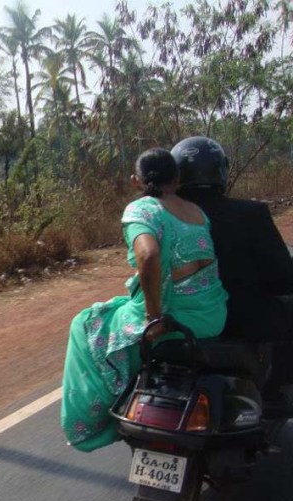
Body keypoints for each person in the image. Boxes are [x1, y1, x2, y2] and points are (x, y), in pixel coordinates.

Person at [61, 148, 228, 451]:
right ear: (177, 179)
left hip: (172, 322)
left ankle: (97, 426)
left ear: (136, 181)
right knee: (115, 309)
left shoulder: (142, 210)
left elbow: (148, 254)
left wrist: (154, 319)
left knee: (85, 324)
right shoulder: (197, 213)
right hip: (211, 317)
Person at [171, 136, 293, 342]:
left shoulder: (160, 217)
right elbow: (283, 280)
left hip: (181, 323)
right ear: (221, 170)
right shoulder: (252, 213)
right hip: (245, 322)